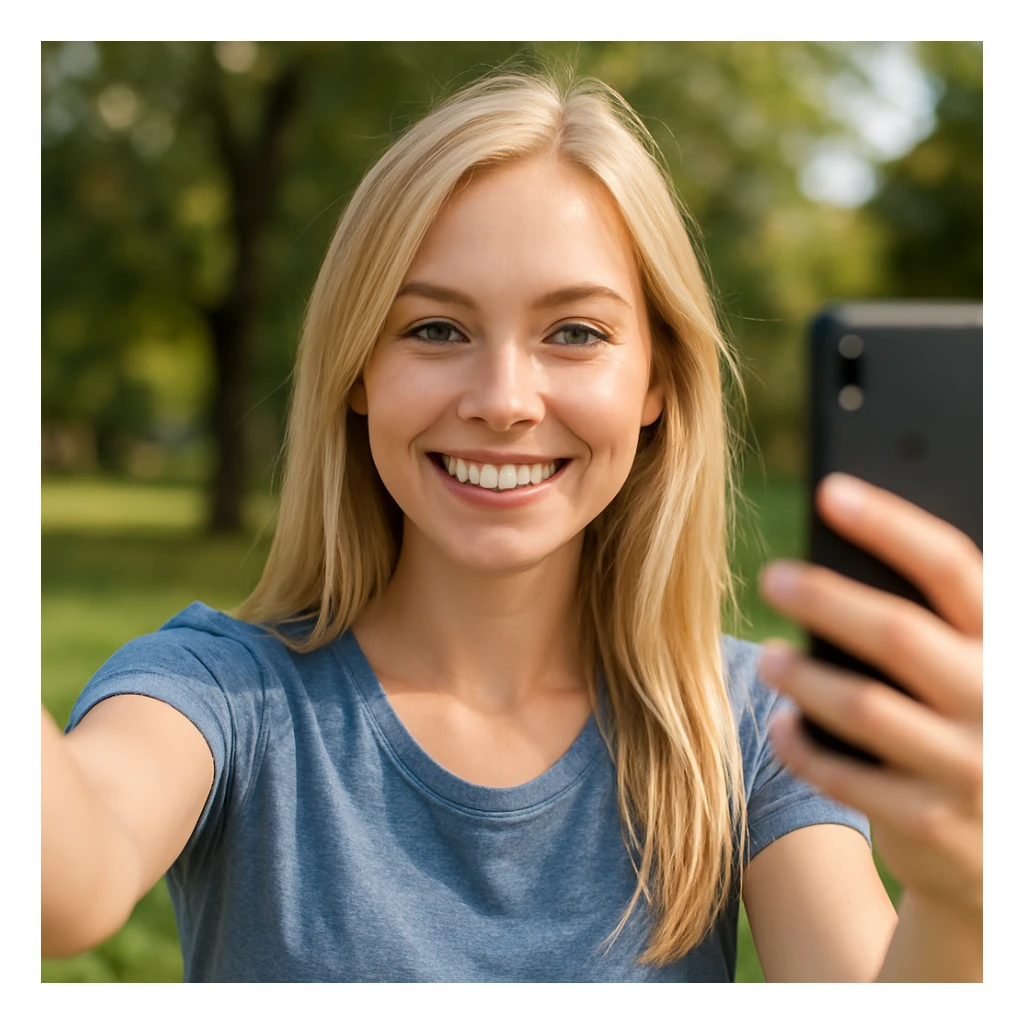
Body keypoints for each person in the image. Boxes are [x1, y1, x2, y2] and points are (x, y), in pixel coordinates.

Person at [41, 70, 983, 982]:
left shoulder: (746, 729)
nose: (503, 401)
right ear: (358, 370)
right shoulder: (219, 693)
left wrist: (961, 894)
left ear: (656, 381)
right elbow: (59, 888)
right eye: (435, 330)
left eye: (574, 332)